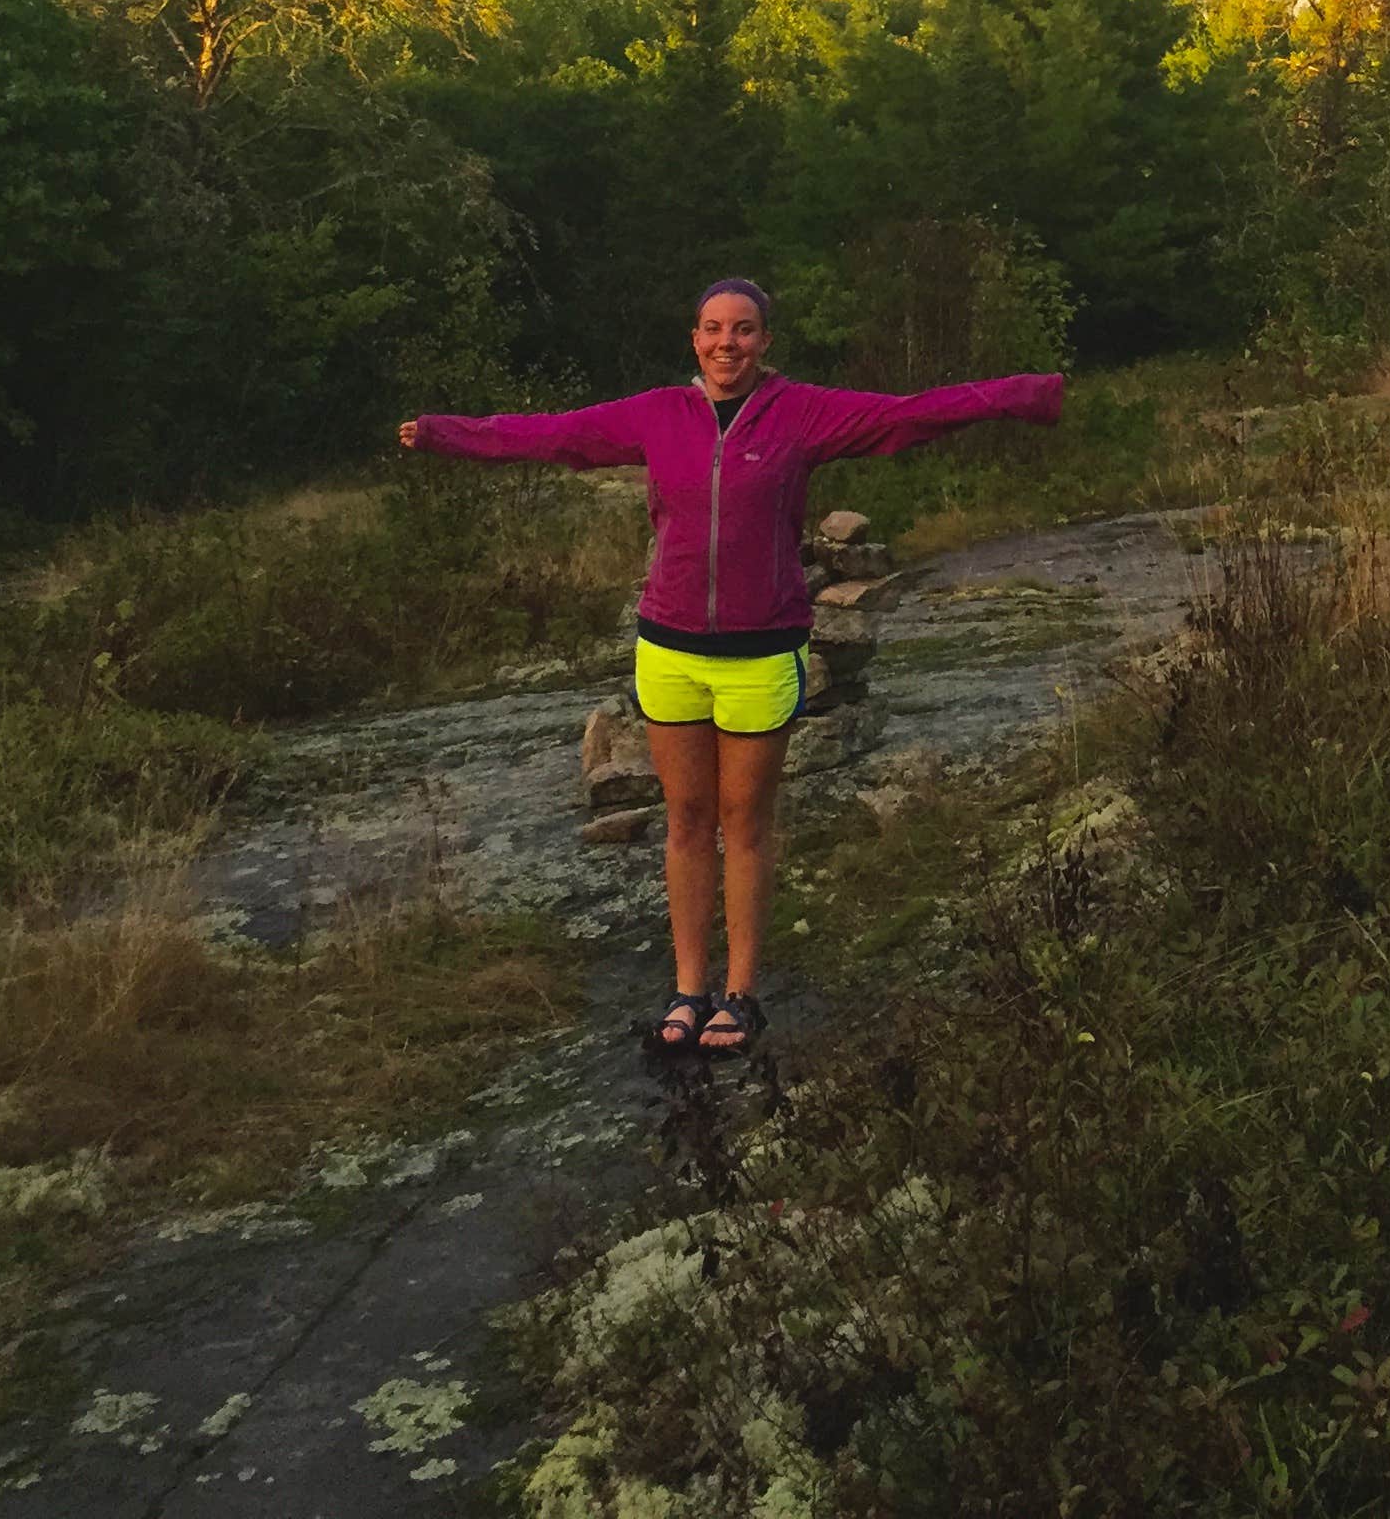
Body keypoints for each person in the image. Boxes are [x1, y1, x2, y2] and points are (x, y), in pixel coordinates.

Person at [401, 279, 1063, 1056]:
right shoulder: (658, 414)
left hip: (760, 652)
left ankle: (741, 994)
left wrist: (1024, 394)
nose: (727, 343)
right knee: (686, 822)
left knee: (744, 825)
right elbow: (556, 435)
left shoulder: (801, 413)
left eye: (743, 330)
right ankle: (689, 988)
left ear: (764, 342)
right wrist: (445, 434)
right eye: (714, 329)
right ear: (695, 339)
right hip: (670, 650)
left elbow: (907, 416)